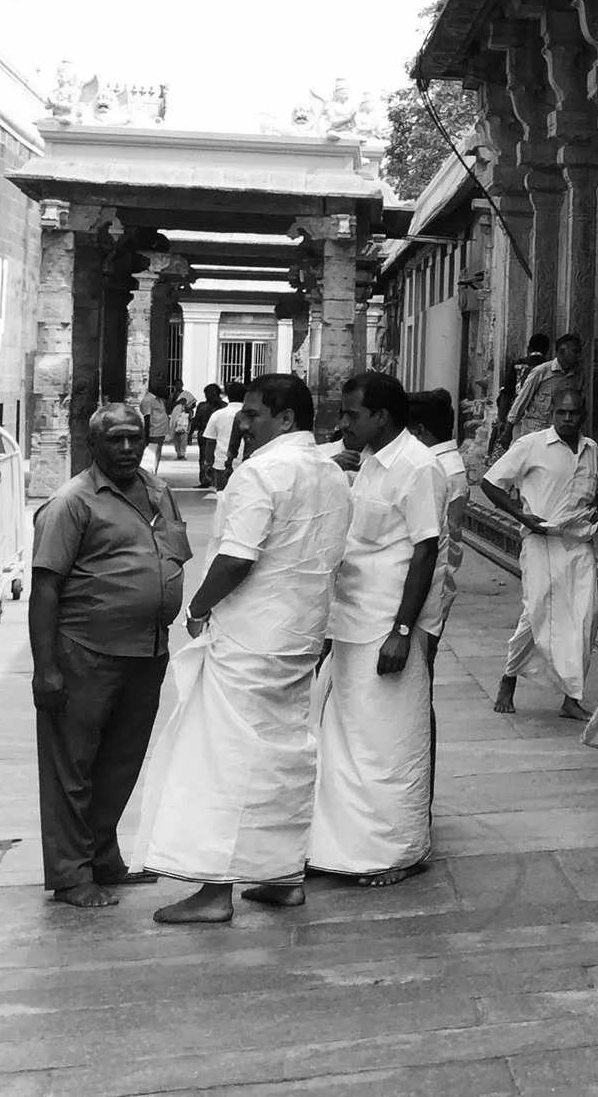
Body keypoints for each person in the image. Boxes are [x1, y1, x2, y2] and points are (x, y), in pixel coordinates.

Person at [143, 374, 355, 924]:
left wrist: (198, 606)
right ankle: (282, 876)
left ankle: (215, 892)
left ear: (285, 419)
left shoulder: (262, 472)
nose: (243, 421)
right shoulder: (331, 475)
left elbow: (238, 556)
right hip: (299, 635)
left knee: (222, 758)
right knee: (283, 751)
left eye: (254, 414)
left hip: (250, 638)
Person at [28, 403, 193, 908]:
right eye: (115, 439)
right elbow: (45, 589)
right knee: (71, 768)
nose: (126, 448)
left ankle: (103, 857)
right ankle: (71, 876)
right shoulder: (71, 502)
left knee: (120, 762)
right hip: (85, 652)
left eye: (133, 439)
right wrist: (46, 668)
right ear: (94, 445)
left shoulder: (158, 490)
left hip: (146, 650)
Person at [309, 372, 445, 887]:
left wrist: (403, 630)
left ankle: (400, 852)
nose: (343, 423)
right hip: (351, 620)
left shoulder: (417, 466)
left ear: (381, 417)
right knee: (349, 740)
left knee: (390, 742)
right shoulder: (366, 463)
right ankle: (345, 848)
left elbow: (425, 549)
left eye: (351, 414)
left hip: (389, 628)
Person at [481, 388, 598, 719]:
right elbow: (490, 483)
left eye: (574, 413)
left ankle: (572, 698)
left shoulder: (591, 449)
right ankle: (509, 677)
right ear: (552, 413)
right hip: (541, 542)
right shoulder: (532, 445)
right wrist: (520, 515)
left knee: (584, 617)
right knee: (536, 613)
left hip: (579, 544)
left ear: (583, 415)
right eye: (561, 413)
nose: (568, 418)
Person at [408, 387, 470, 665]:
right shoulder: (438, 464)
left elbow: (440, 537)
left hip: (431, 579)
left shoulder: (440, 468)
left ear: (419, 431)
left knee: (420, 663)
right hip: (430, 578)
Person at [496, 331, 584, 451]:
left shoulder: (578, 376)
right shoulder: (541, 372)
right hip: (535, 431)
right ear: (562, 352)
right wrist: (508, 429)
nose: (578, 356)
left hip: (560, 434)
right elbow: (522, 399)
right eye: (575, 352)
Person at [192, 384, 226, 487]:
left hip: (215, 435)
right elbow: (196, 420)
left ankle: (210, 479)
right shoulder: (203, 406)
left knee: (215, 457)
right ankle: (206, 479)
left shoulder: (223, 406)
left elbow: (196, 420)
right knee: (205, 457)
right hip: (206, 435)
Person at [136, 381, 171, 473]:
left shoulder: (158, 400)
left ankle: (154, 472)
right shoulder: (148, 400)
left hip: (160, 431)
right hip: (153, 431)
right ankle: (150, 473)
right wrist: (146, 435)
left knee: (157, 453)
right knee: (152, 454)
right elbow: (147, 417)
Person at [168, 380, 194, 461]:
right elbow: (168, 405)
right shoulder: (173, 395)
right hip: (174, 416)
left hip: (184, 417)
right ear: (175, 385)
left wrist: (187, 408)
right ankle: (178, 453)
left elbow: (193, 404)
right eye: (177, 384)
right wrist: (177, 403)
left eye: (180, 384)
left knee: (183, 435)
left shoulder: (186, 394)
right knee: (175, 436)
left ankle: (182, 453)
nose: (179, 385)